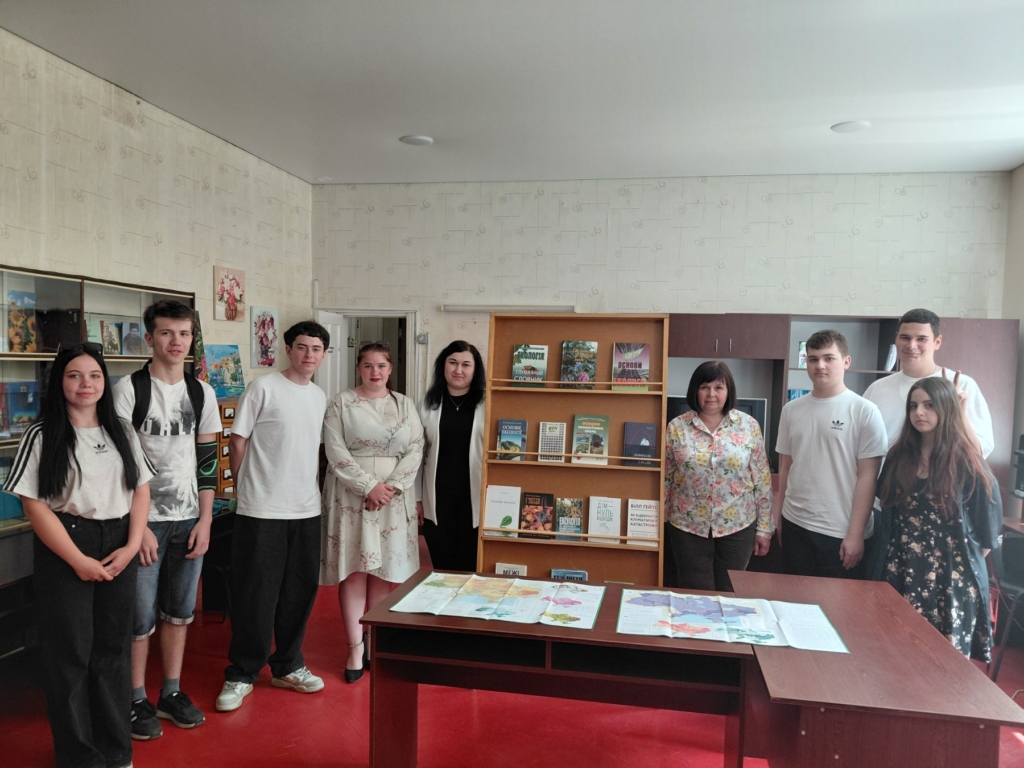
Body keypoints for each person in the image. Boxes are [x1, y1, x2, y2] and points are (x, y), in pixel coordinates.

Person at [5, 343, 154, 768]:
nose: (85, 384)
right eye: (74, 375)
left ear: (104, 381)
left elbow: (141, 489)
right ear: (60, 381)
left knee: (112, 651)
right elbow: (34, 505)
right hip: (67, 545)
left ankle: (116, 750)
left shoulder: (121, 429)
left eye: (94, 375)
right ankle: (79, 756)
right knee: (70, 655)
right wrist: (77, 560)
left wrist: (131, 545)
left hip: (120, 542)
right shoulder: (42, 434)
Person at [113, 299, 221, 739]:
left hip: (189, 519)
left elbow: (209, 461)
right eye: (166, 333)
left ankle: (170, 692)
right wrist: (136, 530)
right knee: (139, 617)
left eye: (184, 333)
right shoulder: (128, 390)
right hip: (143, 523)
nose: (176, 342)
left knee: (180, 612)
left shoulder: (202, 392)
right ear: (150, 337)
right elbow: (119, 465)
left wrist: (207, 519)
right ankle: (134, 698)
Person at [216, 321, 329, 712]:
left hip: (306, 508)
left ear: (324, 354)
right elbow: (238, 440)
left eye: (316, 348)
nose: (309, 354)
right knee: (255, 592)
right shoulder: (263, 387)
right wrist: (244, 488)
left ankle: (288, 665)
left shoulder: (319, 396)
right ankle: (242, 672)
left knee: (299, 590)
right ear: (288, 349)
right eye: (302, 347)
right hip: (262, 508)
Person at [320, 341, 424, 683]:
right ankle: (353, 647)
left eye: (381, 366)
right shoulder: (341, 403)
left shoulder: (405, 404)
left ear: (390, 369)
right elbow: (335, 450)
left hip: (394, 498)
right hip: (353, 497)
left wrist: (390, 487)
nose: (375, 372)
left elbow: (416, 447)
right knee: (355, 570)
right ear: (358, 369)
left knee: (383, 571)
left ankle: (371, 640)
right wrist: (369, 487)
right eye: (368, 366)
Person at [878, 377, 1001, 660]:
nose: (919, 412)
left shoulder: (968, 462)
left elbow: (987, 534)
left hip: (952, 579)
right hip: (901, 569)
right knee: (894, 655)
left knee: (945, 665)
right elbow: (886, 507)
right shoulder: (899, 455)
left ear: (946, 408)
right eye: (913, 406)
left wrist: (954, 560)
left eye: (929, 405)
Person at [773, 330, 888, 579]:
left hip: (840, 531)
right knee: (793, 598)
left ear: (846, 361)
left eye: (829, 358)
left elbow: (868, 477)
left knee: (837, 602)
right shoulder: (791, 410)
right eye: (813, 359)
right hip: (795, 523)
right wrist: (779, 517)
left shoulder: (864, 411)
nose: (820, 365)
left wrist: (856, 534)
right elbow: (786, 466)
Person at [663, 361, 773, 591]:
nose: (711, 394)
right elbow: (666, 477)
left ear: (728, 391)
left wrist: (764, 528)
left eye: (718, 387)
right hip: (687, 526)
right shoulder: (676, 427)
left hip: (737, 525)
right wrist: (656, 521)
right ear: (695, 390)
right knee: (694, 591)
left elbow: (762, 479)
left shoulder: (749, 426)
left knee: (730, 590)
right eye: (704, 387)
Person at [864, 308, 993, 457]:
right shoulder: (877, 388)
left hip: (939, 471)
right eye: (905, 337)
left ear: (937, 342)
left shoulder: (962, 385)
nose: (911, 345)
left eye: (921, 339)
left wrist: (958, 413)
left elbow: (979, 452)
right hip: (888, 471)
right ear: (896, 339)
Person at [416, 340, 486, 573]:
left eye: (466, 364)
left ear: (475, 370)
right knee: (443, 567)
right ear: (443, 366)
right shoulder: (427, 404)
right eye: (453, 362)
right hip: (438, 497)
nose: (458, 370)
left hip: (475, 498)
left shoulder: (487, 403)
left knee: (472, 566)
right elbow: (416, 455)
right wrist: (417, 498)